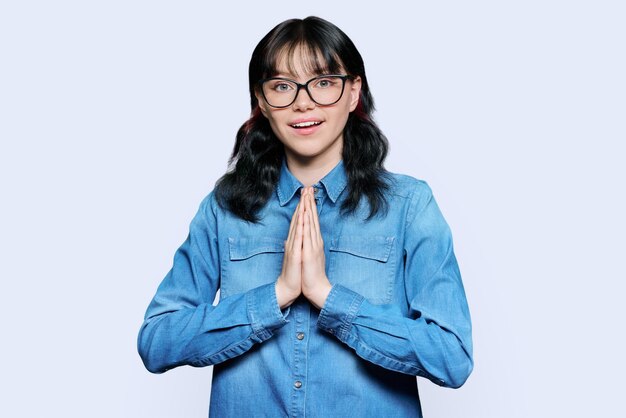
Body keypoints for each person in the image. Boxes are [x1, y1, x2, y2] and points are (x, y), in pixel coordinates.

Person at [138, 16, 473, 418]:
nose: (303, 102)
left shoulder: (409, 206)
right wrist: (274, 297)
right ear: (261, 101)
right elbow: (156, 342)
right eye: (282, 86)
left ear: (353, 93)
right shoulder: (224, 208)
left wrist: (330, 300)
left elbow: (452, 358)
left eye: (324, 82)